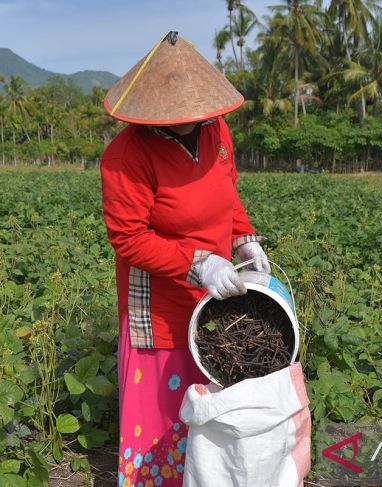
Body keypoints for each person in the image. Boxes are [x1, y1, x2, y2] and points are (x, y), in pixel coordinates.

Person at [99, 31, 270, 486]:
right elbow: (128, 238)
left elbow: (228, 193)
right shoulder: (126, 156)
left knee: (215, 407)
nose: (190, 120)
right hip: (159, 307)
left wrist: (243, 241)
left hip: (216, 297)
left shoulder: (216, 131)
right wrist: (198, 264)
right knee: (163, 418)